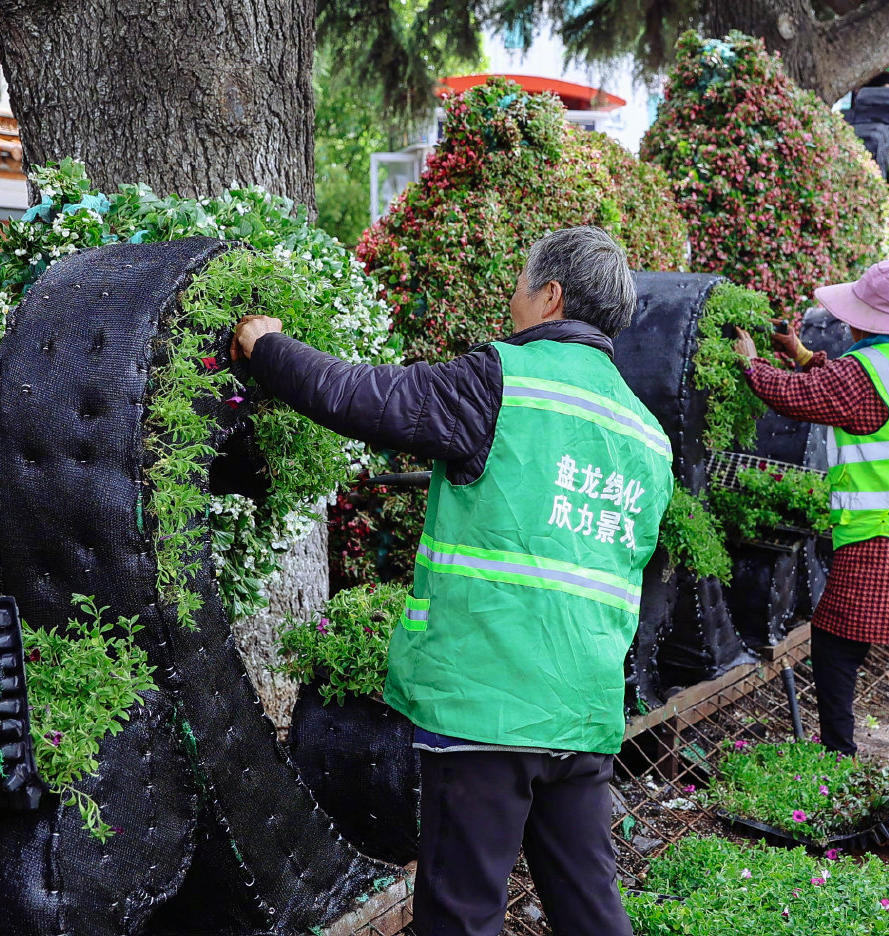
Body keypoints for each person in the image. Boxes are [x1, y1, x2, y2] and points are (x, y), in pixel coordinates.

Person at [232, 226, 674, 936]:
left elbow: (362, 396)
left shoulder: (500, 381)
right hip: (585, 714)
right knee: (590, 910)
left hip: (487, 709)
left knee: (460, 915)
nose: (512, 298)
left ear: (552, 295)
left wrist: (267, 347)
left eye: (523, 284)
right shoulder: (649, 435)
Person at [732, 260, 889, 772]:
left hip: (887, 528)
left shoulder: (868, 370)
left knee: (836, 642)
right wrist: (799, 353)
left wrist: (753, 365)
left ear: (867, 319)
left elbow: (804, 397)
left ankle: (838, 760)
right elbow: (844, 390)